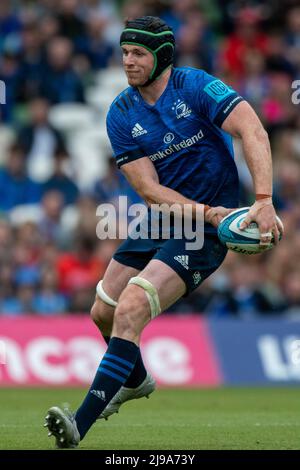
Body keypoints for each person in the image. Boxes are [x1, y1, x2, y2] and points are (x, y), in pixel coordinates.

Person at [44, 16, 283, 448]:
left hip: (208, 230)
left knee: (133, 305)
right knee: (102, 312)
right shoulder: (120, 112)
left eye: (138, 53)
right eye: (124, 53)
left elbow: (252, 129)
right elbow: (149, 189)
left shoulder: (196, 87)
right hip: (167, 216)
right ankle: (135, 381)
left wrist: (263, 200)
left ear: (163, 56)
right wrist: (207, 212)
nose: (128, 62)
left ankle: (79, 423)